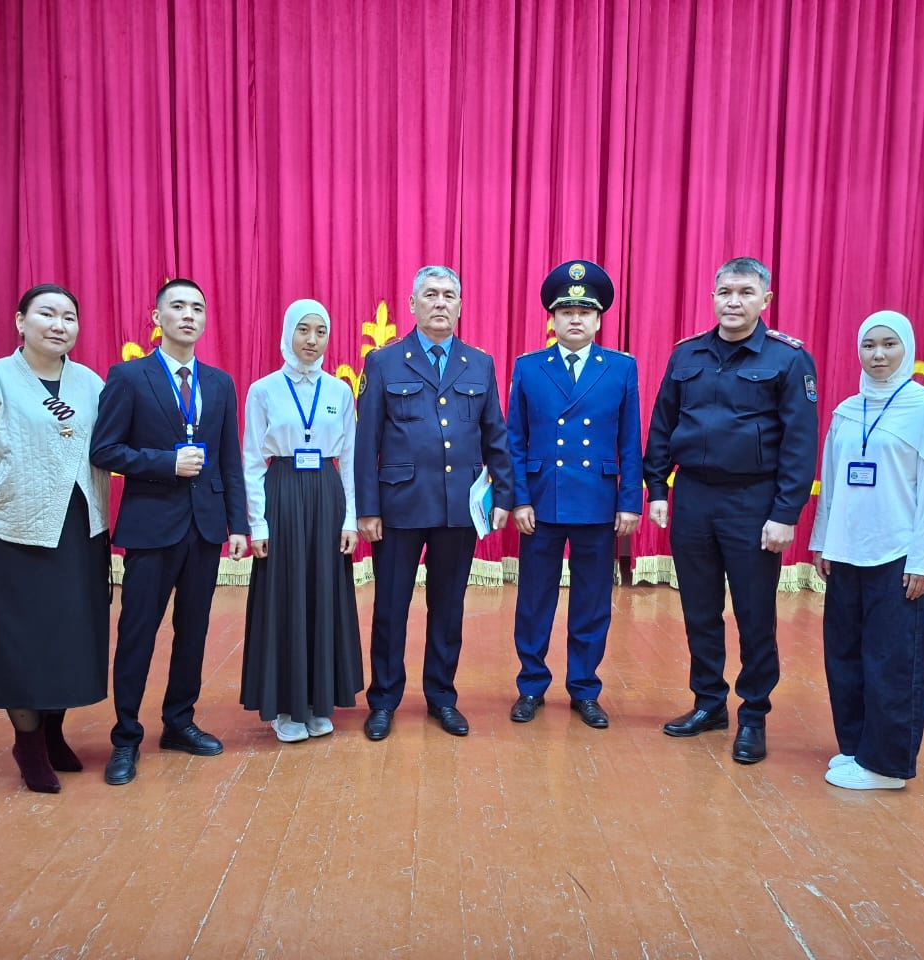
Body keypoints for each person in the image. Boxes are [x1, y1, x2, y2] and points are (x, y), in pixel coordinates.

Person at [643, 256, 818, 763]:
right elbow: (662, 424)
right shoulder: (687, 354)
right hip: (694, 496)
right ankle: (709, 703)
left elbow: (800, 443)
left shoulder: (788, 359)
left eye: (745, 293)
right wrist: (657, 489)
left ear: (766, 300)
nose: (733, 302)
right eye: (725, 292)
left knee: (754, 613)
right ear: (713, 297)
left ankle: (754, 715)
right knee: (699, 610)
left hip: (753, 501)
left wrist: (785, 513)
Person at [0, 283, 111, 794]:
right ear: (20, 321)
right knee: (22, 642)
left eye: (69, 317)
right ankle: (28, 744)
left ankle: (54, 734)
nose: (59, 325)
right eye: (47, 314)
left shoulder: (90, 383)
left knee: (70, 637)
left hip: (80, 529)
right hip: (16, 529)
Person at [90, 278, 249, 786]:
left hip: (205, 527)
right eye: (177, 306)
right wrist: (165, 462)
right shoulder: (128, 376)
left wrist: (239, 525)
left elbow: (229, 460)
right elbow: (104, 450)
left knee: (193, 631)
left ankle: (179, 722)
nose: (188, 315)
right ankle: (126, 737)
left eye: (197, 308)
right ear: (157, 318)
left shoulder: (220, 383)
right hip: (150, 526)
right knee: (137, 633)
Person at [354, 265, 514, 740]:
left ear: (460, 305)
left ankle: (442, 697)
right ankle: (384, 700)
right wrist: (367, 509)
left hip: (457, 508)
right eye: (430, 294)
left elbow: (495, 435)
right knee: (390, 608)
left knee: (448, 608)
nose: (440, 302)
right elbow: (366, 442)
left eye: (448, 295)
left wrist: (504, 494)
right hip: (399, 507)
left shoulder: (479, 364)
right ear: (412, 304)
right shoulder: (384, 362)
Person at [810, 310, 924, 789]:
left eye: (889, 344)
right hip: (847, 552)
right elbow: (831, 483)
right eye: (869, 345)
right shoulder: (847, 411)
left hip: (897, 554)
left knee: (893, 660)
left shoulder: (923, 407)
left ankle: (888, 766)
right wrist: (822, 542)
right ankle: (857, 748)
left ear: (907, 349)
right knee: (845, 656)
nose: (878, 355)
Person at [505, 260, 643, 729]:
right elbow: (515, 439)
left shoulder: (621, 368)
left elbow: (630, 442)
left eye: (585, 311)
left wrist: (629, 502)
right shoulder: (529, 367)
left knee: (591, 601)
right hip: (541, 501)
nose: (576, 319)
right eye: (567, 311)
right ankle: (531, 685)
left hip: (598, 503)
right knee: (534, 600)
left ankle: (584, 688)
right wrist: (520, 498)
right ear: (553, 318)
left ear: (599, 319)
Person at [240, 299, 364, 742]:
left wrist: (350, 520)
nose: (312, 340)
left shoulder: (339, 391)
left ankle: (317, 701)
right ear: (288, 333)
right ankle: (284, 706)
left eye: (321, 331)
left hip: (326, 495)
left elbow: (349, 461)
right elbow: (252, 460)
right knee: (285, 593)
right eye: (303, 330)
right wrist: (258, 524)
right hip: (283, 492)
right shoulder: (264, 390)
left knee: (323, 593)